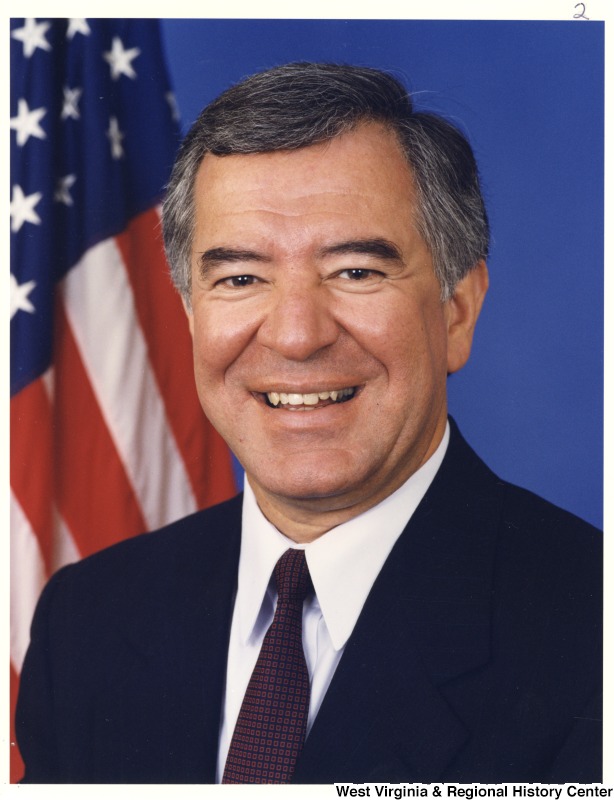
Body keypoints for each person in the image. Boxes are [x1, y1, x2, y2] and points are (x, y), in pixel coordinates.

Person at [16, 62, 601, 784]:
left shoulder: (587, 635)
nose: (296, 335)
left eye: (355, 271)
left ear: (457, 309)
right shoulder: (88, 624)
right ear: (191, 315)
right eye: (240, 278)